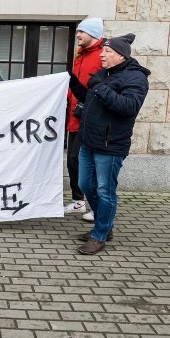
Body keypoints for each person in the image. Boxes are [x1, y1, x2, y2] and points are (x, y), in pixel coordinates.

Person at [68, 33, 150, 255]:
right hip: (89, 141)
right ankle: (105, 224)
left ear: (121, 56)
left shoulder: (136, 78)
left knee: (105, 190)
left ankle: (100, 233)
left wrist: (100, 87)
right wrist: (74, 83)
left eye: (107, 51)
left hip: (110, 145)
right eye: (103, 50)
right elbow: (90, 98)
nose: (102, 54)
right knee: (85, 185)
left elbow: (129, 106)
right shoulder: (105, 73)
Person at [65, 17, 105, 219]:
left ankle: (96, 206)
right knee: (72, 160)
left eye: (81, 32)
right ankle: (78, 201)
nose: (77, 35)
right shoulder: (80, 56)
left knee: (86, 162)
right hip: (74, 115)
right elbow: (76, 84)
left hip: (89, 118)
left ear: (93, 34)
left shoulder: (102, 56)